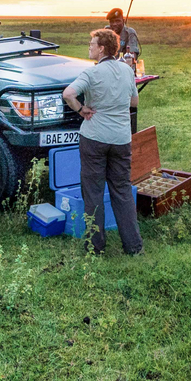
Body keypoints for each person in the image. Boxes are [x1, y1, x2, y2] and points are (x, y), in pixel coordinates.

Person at [62, 28, 143, 256]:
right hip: (121, 139)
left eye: (92, 44)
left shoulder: (91, 73)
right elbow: (134, 102)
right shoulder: (127, 70)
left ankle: (95, 246)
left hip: (94, 138)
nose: (89, 47)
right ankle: (134, 246)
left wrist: (81, 109)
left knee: (93, 192)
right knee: (122, 190)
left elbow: (68, 94)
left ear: (101, 49)